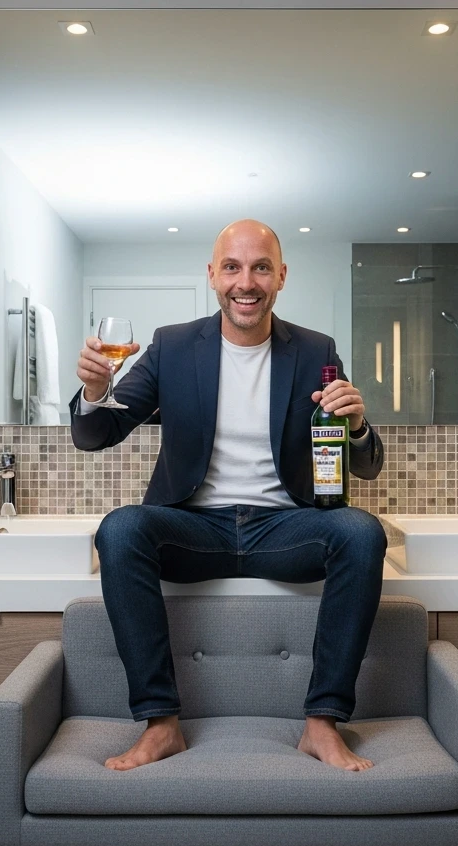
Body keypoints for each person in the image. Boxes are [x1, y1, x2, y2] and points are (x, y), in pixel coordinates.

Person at [70, 219, 387, 772]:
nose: (246, 282)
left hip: (284, 529)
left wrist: (356, 424)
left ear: (281, 276)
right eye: (233, 267)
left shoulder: (316, 350)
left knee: (361, 532)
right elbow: (96, 435)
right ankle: (160, 725)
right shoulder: (172, 346)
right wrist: (96, 391)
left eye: (261, 268)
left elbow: (365, 465)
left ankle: (322, 724)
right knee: (120, 528)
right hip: (194, 529)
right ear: (213, 275)